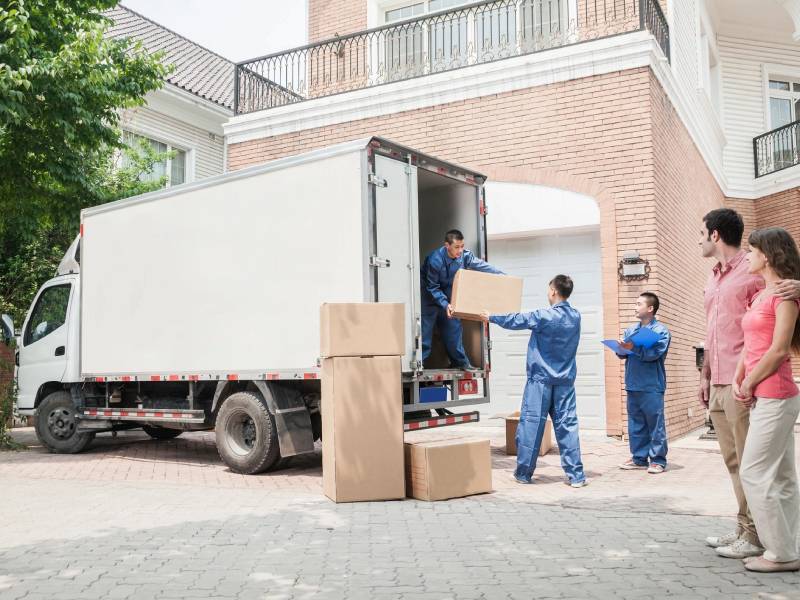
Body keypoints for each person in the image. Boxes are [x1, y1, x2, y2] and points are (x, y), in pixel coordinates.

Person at [698, 208, 766, 559]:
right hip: (719, 380)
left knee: (749, 461)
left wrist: (749, 379)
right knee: (732, 461)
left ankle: (756, 536)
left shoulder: (752, 273)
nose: (699, 239)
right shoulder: (714, 278)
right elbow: (712, 331)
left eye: (701, 232)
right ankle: (742, 527)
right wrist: (704, 374)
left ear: (715, 235)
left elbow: (763, 327)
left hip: (742, 383)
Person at [734, 227, 800, 573]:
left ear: (768, 255)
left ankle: (780, 553)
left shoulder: (785, 295)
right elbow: (752, 344)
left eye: (751, 251)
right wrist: (739, 375)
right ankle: (788, 547)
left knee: (755, 472)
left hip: (776, 393)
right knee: (784, 476)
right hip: (762, 393)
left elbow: (777, 351)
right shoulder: (760, 295)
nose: (747, 256)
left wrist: (749, 382)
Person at [481, 275, 587, 487]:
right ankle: (576, 476)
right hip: (564, 382)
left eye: (549, 289)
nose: (548, 293)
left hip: (540, 381)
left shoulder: (544, 316)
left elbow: (516, 320)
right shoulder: (575, 316)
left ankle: (523, 474)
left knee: (531, 426)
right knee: (567, 426)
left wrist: (490, 317)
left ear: (554, 291)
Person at [421, 229, 502, 370]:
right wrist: (445, 304)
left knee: (453, 327)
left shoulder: (464, 256)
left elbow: (482, 266)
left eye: (462, 246)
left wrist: (501, 274)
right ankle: (419, 363)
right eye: (457, 247)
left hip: (447, 291)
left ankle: (460, 362)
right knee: (425, 330)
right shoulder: (435, 260)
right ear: (447, 246)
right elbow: (432, 286)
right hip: (429, 294)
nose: (460, 250)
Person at [617, 292, 671, 474]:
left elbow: (654, 355)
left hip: (652, 385)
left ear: (650, 308)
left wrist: (634, 348)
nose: (635, 306)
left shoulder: (661, 332)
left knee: (655, 424)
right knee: (636, 423)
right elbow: (623, 354)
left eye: (639, 303)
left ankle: (658, 460)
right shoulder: (631, 331)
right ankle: (639, 458)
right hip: (633, 383)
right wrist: (621, 349)